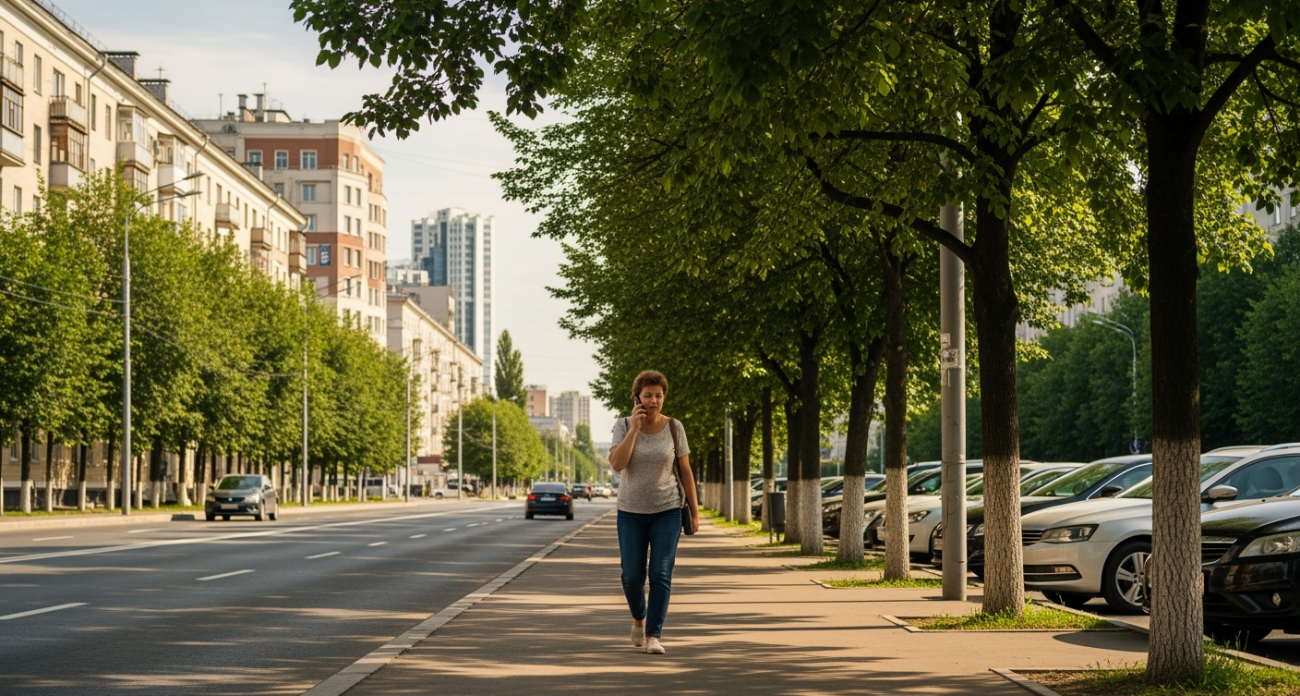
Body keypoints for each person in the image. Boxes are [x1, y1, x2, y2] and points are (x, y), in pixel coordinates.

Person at [608, 370, 699, 655]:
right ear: (637, 396)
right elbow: (617, 464)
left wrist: (694, 512)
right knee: (631, 576)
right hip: (631, 512)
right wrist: (634, 429)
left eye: (658, 395)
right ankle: (639, 617)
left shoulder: (675, 427)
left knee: (660, 573)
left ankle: (653, 635)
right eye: (648, 395)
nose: (654, 400)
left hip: (667, 510)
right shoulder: (622, 425)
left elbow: (685, 470)